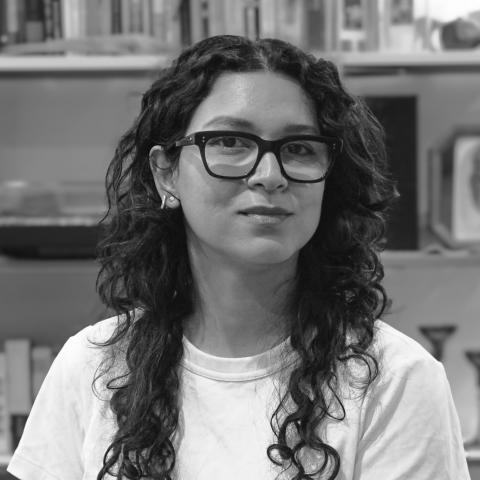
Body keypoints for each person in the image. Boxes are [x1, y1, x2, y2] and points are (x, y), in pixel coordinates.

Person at [7, 35, 470, 480]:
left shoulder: (395, 380)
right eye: (230, 142)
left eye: (299, 149)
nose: (270, 175)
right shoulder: (92, 366)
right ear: (166, 173)